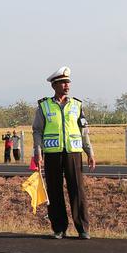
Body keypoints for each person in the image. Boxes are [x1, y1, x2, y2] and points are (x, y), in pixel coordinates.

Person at [32, 66, 96, 239]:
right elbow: (37, 131)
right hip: (52, 154)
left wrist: (89, 152)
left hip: (73, 153)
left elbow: (84, 131)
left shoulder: (77, 105)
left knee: (77, 190)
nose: (67, 85)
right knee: (54, 191)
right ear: (54, 85)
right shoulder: (44, 106)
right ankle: (59, 228)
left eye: (68, 82)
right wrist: (38, 152)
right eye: (63, 83)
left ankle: (83, 228)